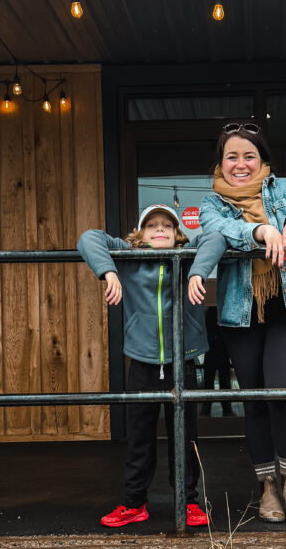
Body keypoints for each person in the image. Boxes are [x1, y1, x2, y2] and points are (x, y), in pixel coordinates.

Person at [199, 123, 286, 526]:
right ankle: (266, 486)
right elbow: (218, 230)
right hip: (240, 314)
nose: (240, 164)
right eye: (231, 156)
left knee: (280, 393)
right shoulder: (211, 203)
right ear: (221, 163)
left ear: (262, 161)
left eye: (249, 156)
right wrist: (259, 230)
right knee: (255, 400)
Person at [78, 205, 226, 528]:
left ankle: (188, 502)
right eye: (152, 225)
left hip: (182, 362)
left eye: (167, 226)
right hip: (142, 364)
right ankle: (134, 503)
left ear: (176, 235)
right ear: (141, 234)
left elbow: (216, 236)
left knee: (185, 437)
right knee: (139, 438)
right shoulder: (130, 257)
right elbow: (88, 238)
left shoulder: (187, 256)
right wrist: (109, 271)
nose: (160, 230)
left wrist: (198, 271)